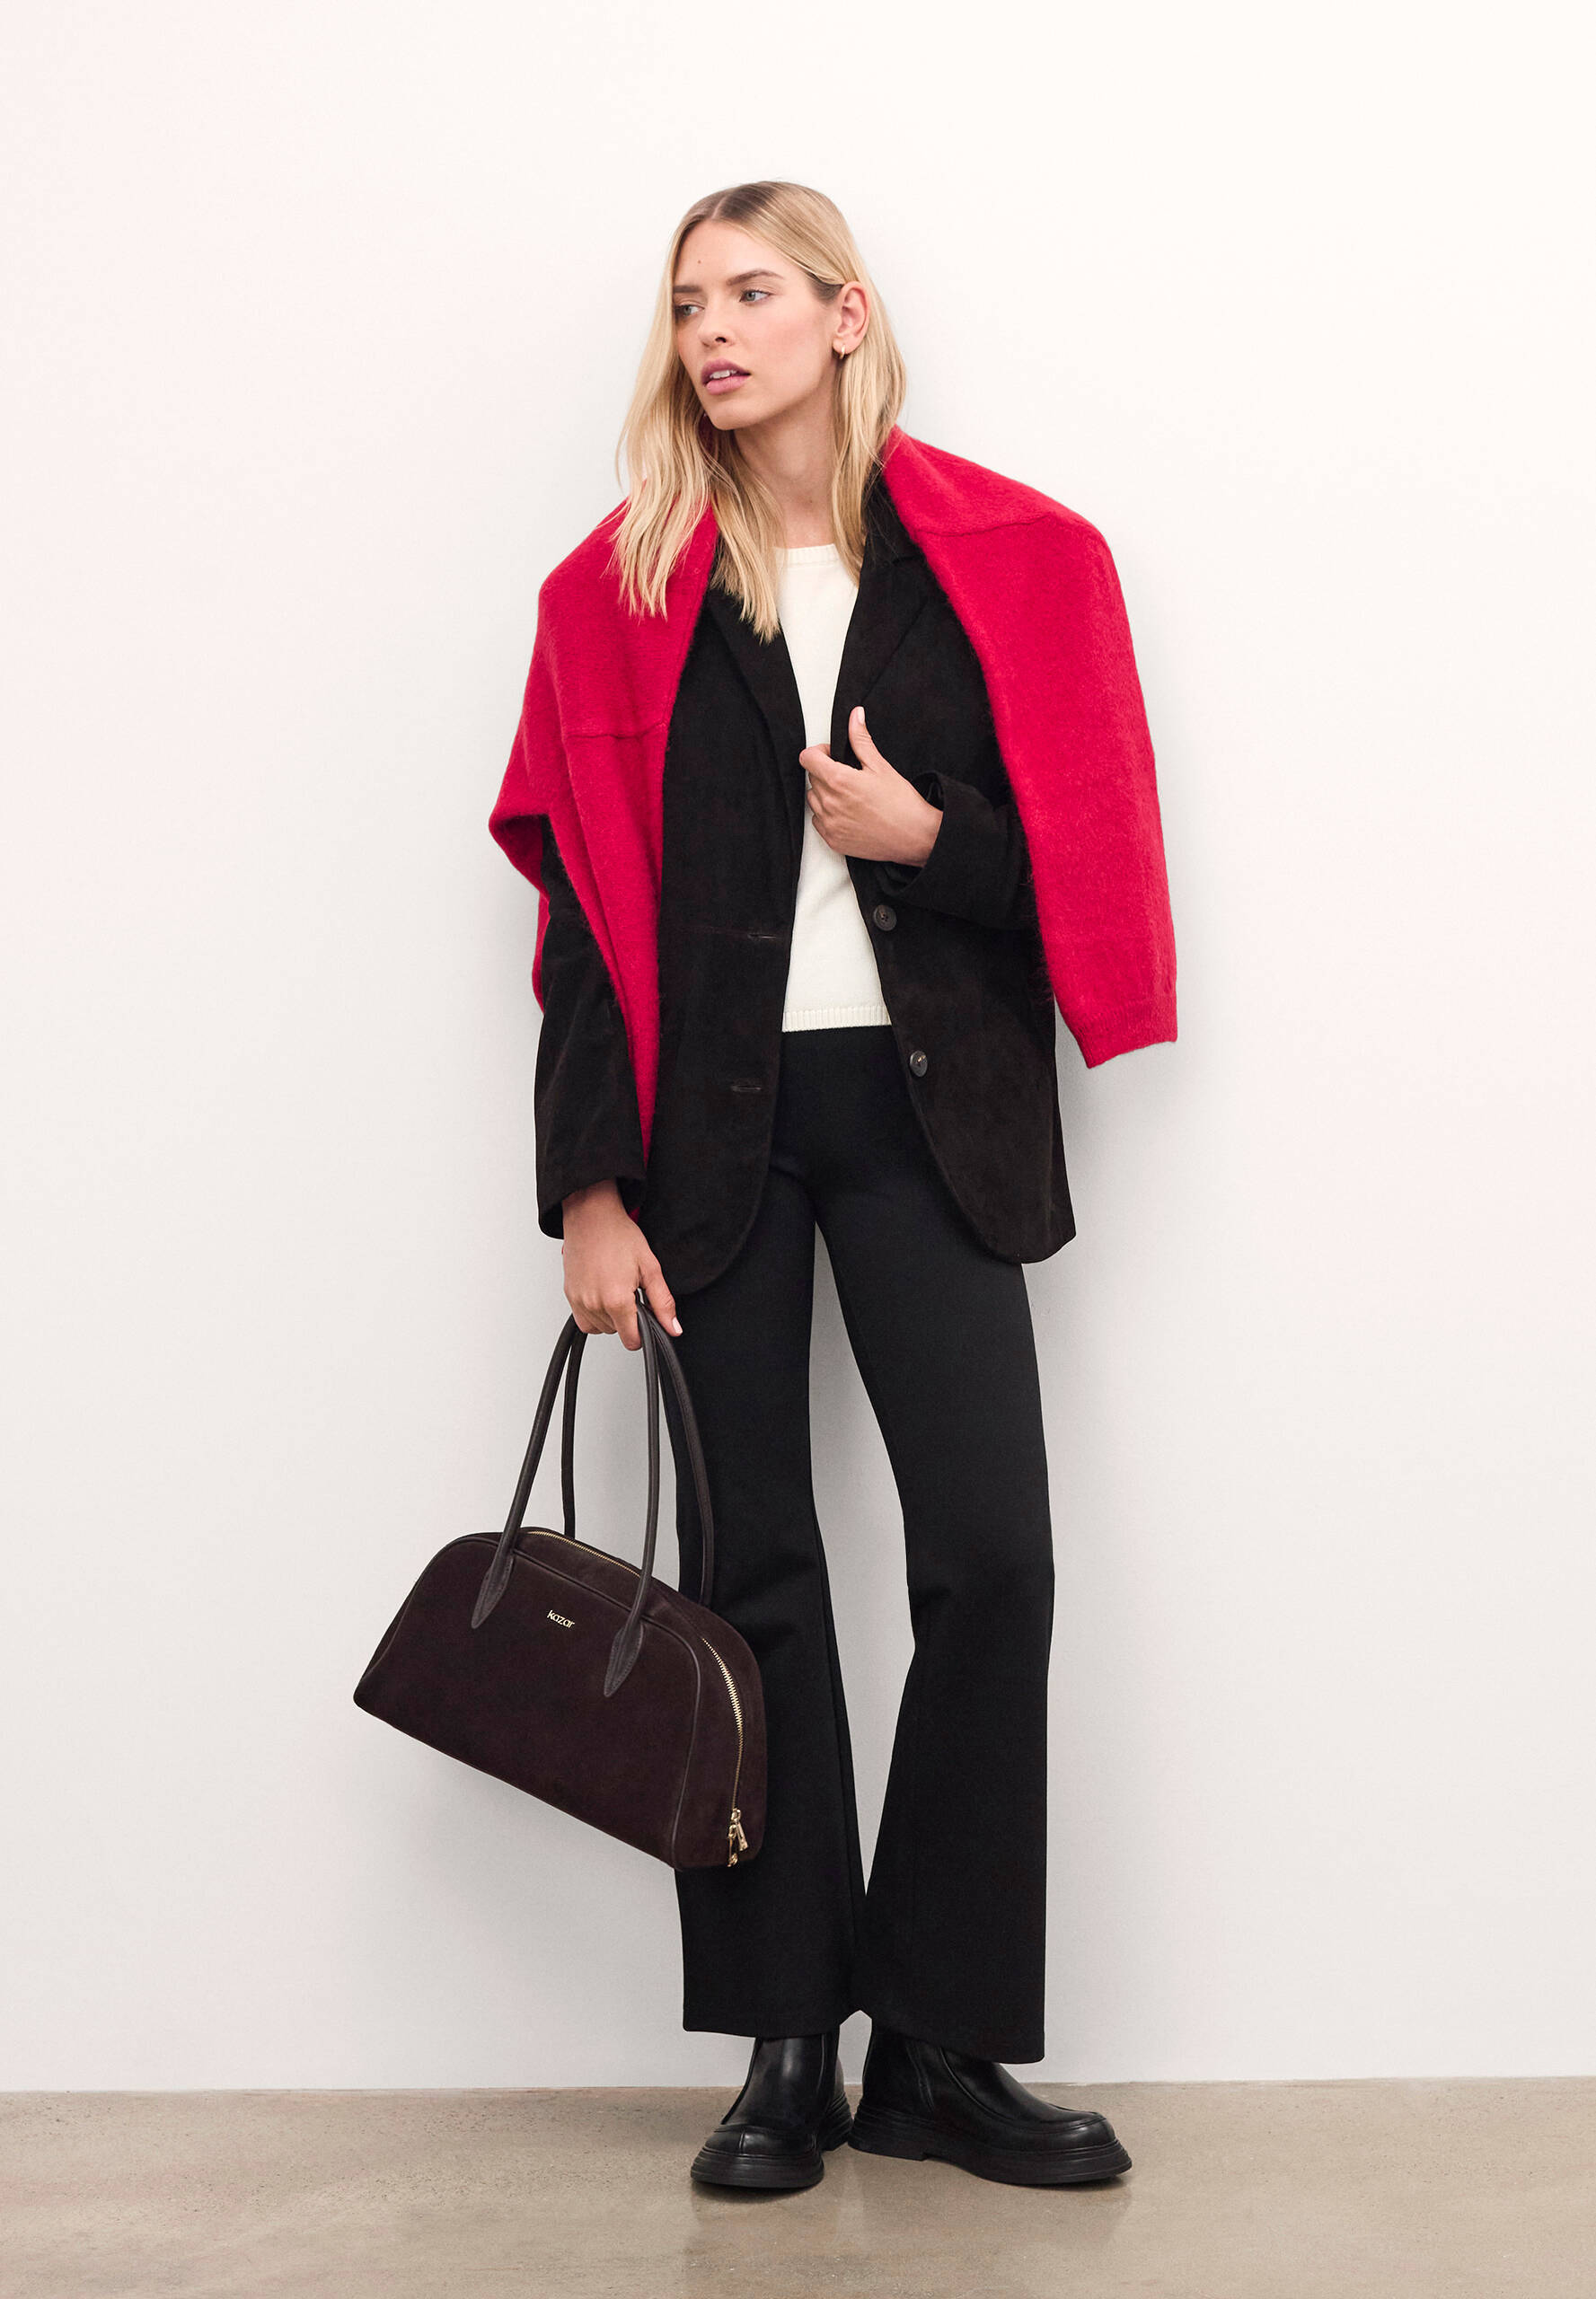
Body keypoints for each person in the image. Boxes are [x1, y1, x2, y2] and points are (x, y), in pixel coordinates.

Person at [489, 181, 1176, 2192]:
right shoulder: (615, 589)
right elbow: (584, 924)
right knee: (753, 1577)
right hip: (708, 1132)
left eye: (753, 293)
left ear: (846, 314)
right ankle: (785, 2040)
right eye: (687, 302)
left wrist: (925, 837)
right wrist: (584, 1187)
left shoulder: (1008, 563)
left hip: (927, 1110)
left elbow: (1083, 866)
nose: (713, 331)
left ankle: (938, 2049)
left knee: (991, 1556)